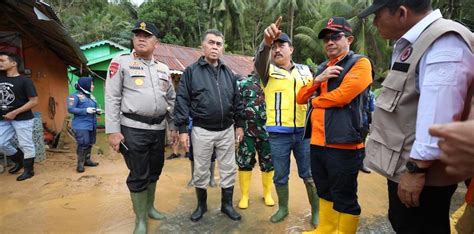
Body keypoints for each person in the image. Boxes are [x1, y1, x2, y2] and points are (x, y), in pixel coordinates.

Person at [359, 0, 474, 233]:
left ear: (402, 13)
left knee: (418, 226)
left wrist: (416, 170)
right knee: (402, 222)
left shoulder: (443, 41)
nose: (374, 22)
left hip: (423, 176)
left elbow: (437, 116)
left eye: (377, 15)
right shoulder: (416, 42)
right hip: (409, 165)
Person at [296, 17, 373, 233]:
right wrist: (318, 80)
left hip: (345, 144)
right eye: (326, 39)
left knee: (345, 196)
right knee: (324, 190)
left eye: (335, 37)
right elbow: (300, 97)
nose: (329, 42)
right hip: (318, 142)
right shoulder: (322, 67)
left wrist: (315, 101)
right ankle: (326, 229)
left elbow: (342, 97)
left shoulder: (360, 63)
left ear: (349, 39)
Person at [105, 21, 178, 234]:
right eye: (137, 35)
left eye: (146, 36)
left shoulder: (163, 69)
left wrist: (172, 126)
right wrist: (112, 131)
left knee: (155, 171)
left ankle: (150, 208)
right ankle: (140, 220)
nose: (141, 38)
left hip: (158, 130)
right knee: (139, 173)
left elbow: (170, 100)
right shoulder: (121, 63)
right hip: (132, 128)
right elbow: (112, 97)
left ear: (156, 42)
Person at [174, 29, 244, 222]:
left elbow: (237, 100)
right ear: (202, 46)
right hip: (201, 130)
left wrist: (239, 124)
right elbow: (182, 100)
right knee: (201, 169)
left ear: (222, 48)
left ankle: (226, 205)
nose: (215, 47)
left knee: (229, 168)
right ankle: (201, 205)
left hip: (226, 130)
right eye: (211, 43)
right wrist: (182, 130)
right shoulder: (191, 72)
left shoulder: (228, 72)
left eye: (218, 44)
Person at [254, 17, 319, 225]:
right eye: (273, 47)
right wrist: (265, 43)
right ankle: (283, 208)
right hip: (278, 134)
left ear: (291, 49)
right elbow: (259, 61)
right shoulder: (267, 71)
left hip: (304, 133)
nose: (276, 50)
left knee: (309, 174)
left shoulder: (305, 71)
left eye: (281, 45)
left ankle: (316, 212)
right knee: (280, 175)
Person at [236, 72, 274, 209]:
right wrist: (237, 126)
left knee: (268, 161)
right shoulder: (243, 84)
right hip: (247, 131)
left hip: (268, 132)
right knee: (244, 161)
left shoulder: (274, 82)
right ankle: (244, 195)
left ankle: (267, 193)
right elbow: (236, 106)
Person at [0, 51, 38, 181]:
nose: (0, 63)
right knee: (1, 143)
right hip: (4, 118)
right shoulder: (1, 78)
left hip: (23, 118)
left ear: (13, 63)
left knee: (26, 144)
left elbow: (34, 101)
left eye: (2, 60)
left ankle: (29, 171)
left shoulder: (24, 81)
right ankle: (20, 160)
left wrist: (14, 112)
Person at [67, 77, 100, 173]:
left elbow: (93, 107)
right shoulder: (74, 96)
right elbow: (71, 109)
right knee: (83, 143)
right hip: (81, 124)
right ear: (85, 85)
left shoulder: (90, 96)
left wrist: (97, 111)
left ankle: (87, 160)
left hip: (92, 123)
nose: (93, 86)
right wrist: (85, 110)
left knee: (90, 142)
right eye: (91, 84)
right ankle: (80, 164)